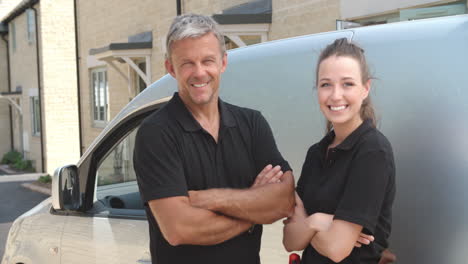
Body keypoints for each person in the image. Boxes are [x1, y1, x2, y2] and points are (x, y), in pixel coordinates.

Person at [133, 14, 295, 264]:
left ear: (223, 63)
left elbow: (283, 200)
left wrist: (208, 199)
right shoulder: (156, 133)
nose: (199, 73)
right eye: (187, 63)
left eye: (208, 60)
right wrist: (254, 207)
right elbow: (179, 229)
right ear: (171, 69)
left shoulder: (252, 124)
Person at [283, 38, 396, 263]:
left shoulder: (372, 151)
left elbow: (337, 249)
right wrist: (319, 223)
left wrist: (309, 221)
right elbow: (290, 241)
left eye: (347, 84)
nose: (335, 95)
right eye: (326, 84)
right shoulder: (316, 153)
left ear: (366, 88)